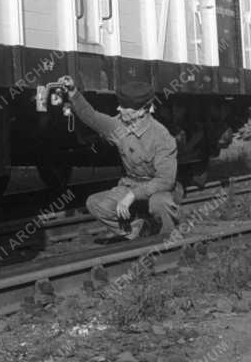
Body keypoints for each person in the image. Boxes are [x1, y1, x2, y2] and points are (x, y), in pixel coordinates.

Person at [61, 78, 179, 241]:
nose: (118, 108)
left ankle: (168, 240)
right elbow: (91, 117)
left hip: (156, 189)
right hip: (130, 185)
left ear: (142, 110)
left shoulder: (162, 137)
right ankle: (136, 232)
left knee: (161, 204)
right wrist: (73, 92)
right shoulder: (118, 125)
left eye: (124, 107)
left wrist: (133, 195)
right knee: (95, 203)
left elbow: (166, 181)